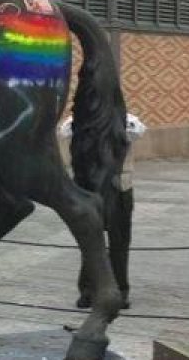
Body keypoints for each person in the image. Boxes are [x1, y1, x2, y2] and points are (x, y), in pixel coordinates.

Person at [61, 113, 143, 310]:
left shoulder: (128, 121)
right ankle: (88, 291)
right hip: (88, 188)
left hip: (119, 188)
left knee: (119, 243)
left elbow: (136, 132)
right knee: (90, 242)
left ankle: (120, 291)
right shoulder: (78, 120)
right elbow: (64, 131)